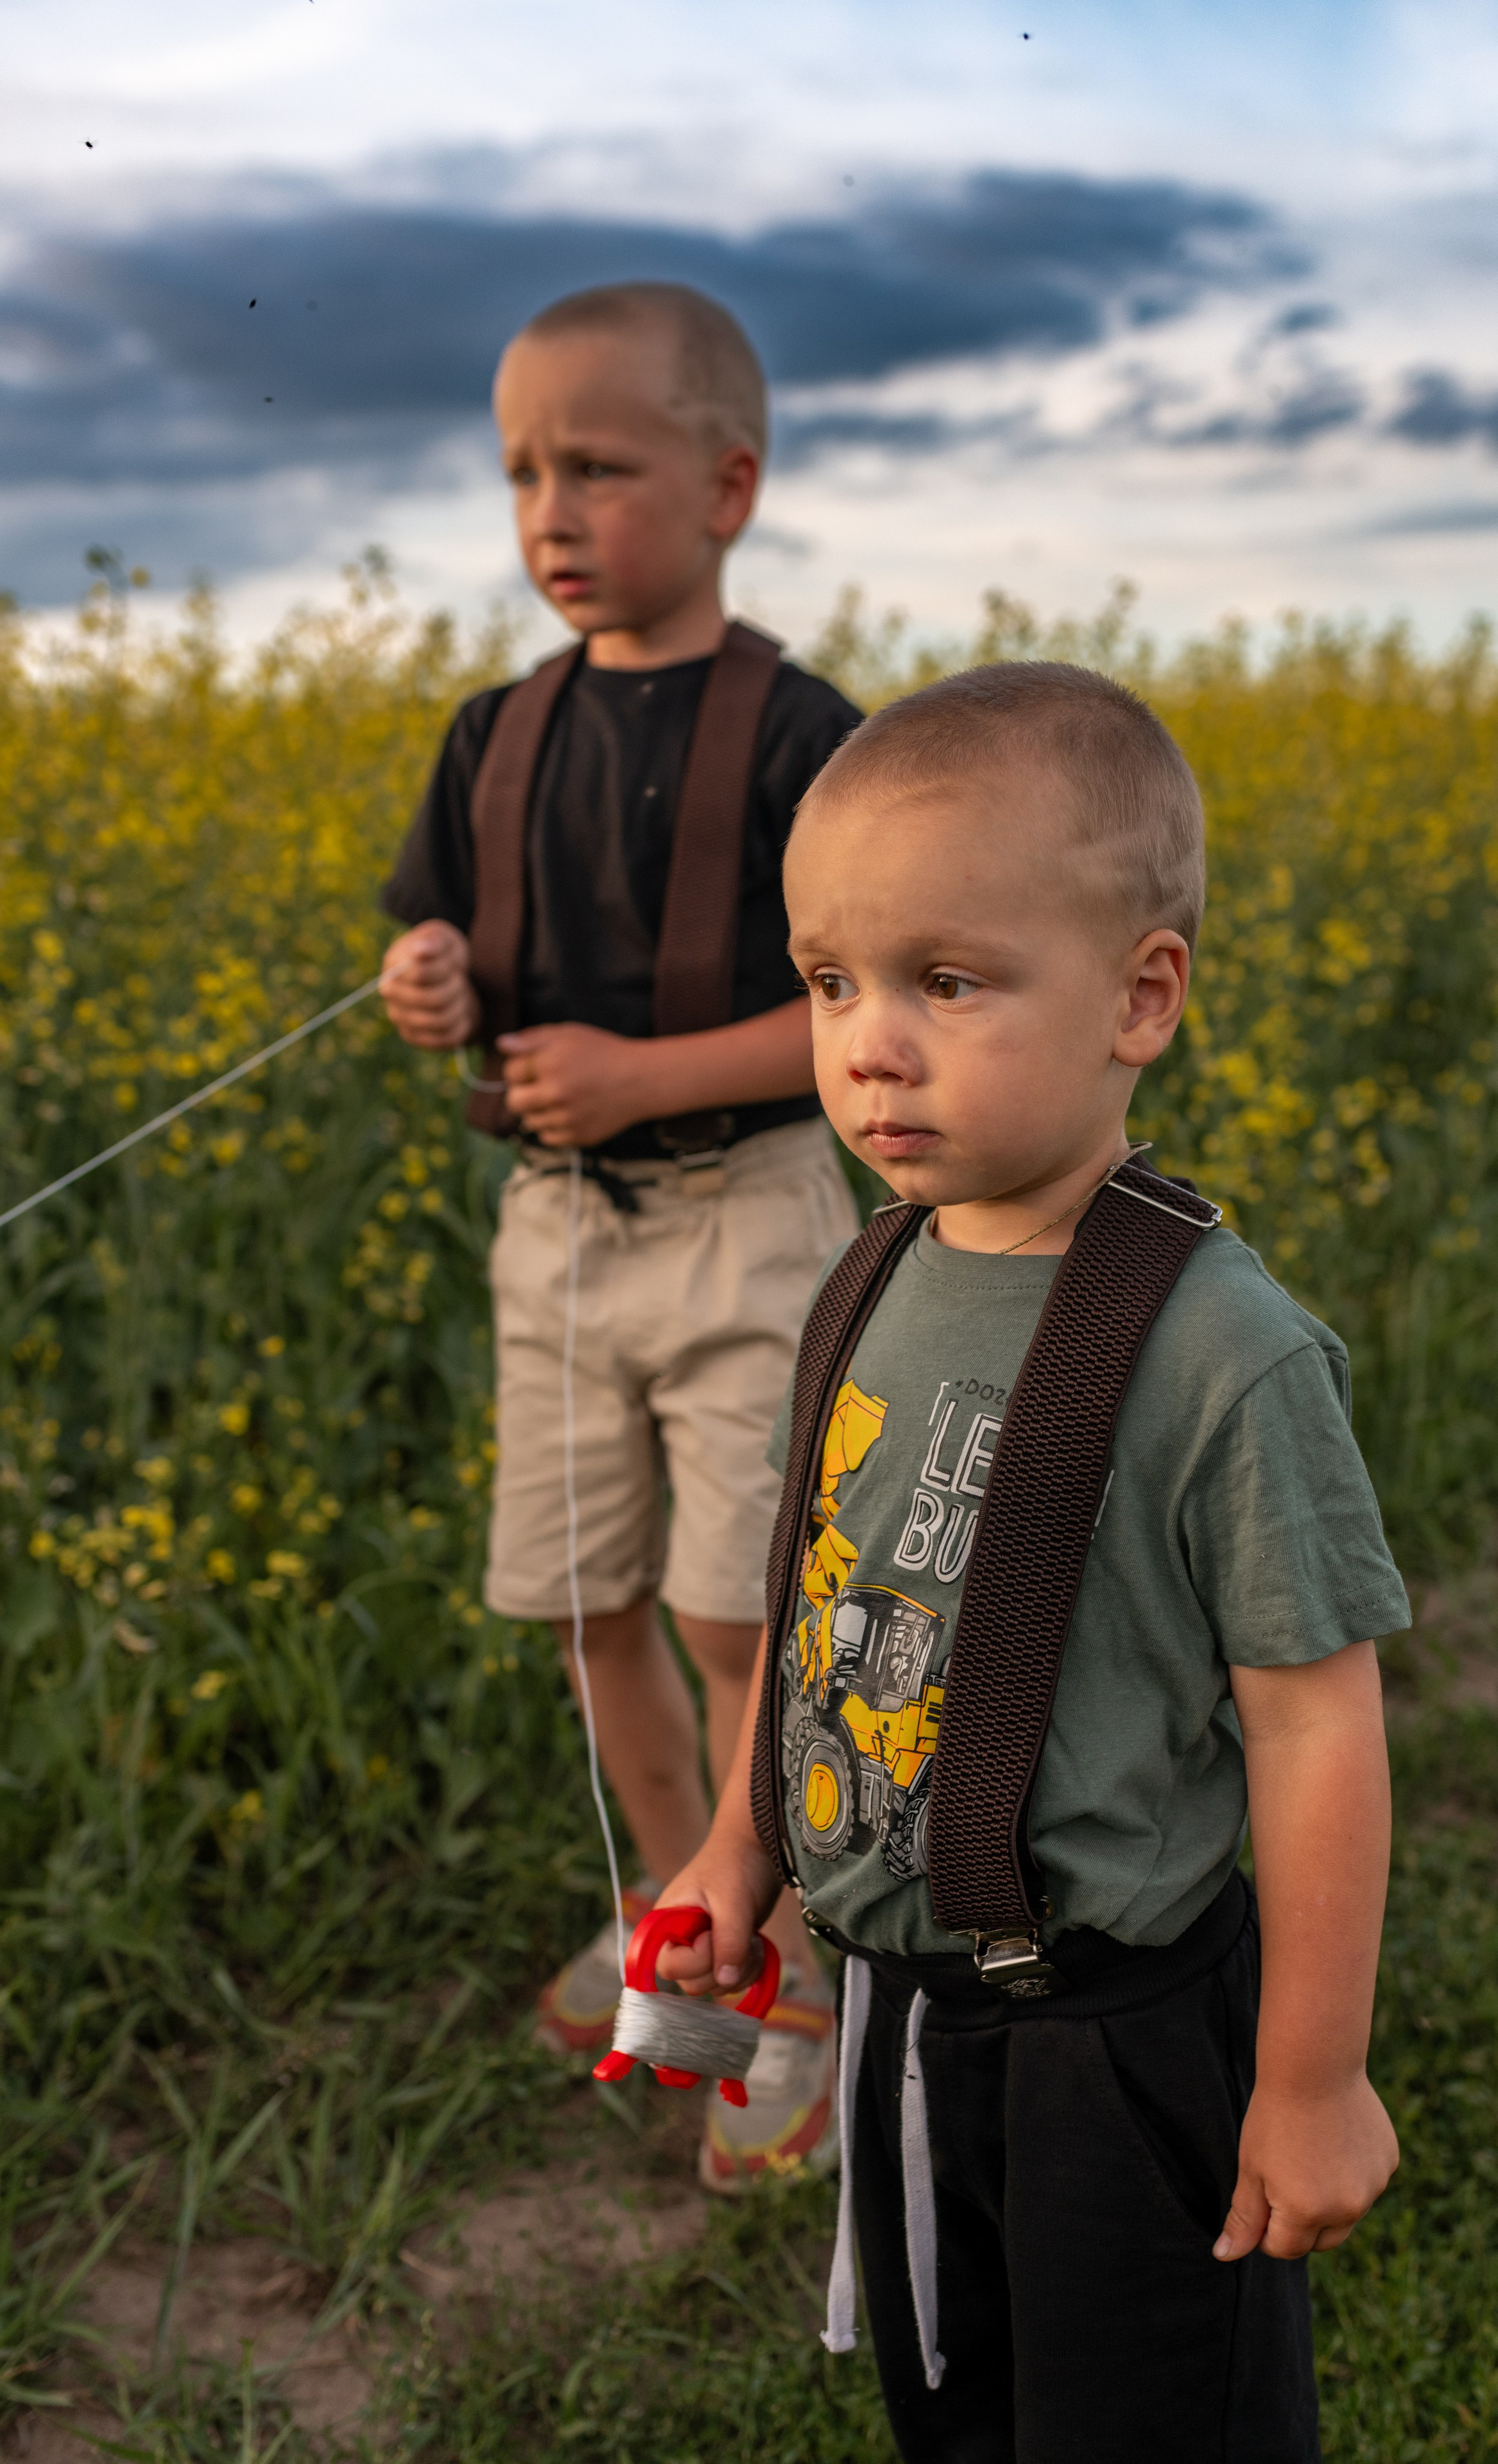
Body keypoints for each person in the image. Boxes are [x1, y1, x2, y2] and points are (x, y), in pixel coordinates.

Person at [655, 661, 1411, 2456]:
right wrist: (738, 1839)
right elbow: (821, 1607)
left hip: (1122, 2043)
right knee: (959, 2413)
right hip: (911, 2020)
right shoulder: (870, 1277)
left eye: (948, 981)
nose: (870, 1043)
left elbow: (1318, 1733)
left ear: (1144, 995)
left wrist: (1310, 2082)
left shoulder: (1222, 1349)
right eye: (832, 983)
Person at [377, 281, 862, 2194]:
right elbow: (456, 965)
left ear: (730, 484)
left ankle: (799, 1970)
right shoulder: (495, 735)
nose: (551, 512)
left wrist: (646, 1073)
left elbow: (858, 1017)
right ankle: (679, 1903)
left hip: (745, 1221)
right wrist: (427, 986)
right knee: (589, 1604)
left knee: (740, 1618)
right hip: (558, 1235)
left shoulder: (802, 732)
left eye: (599, 465)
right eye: (519, 473)